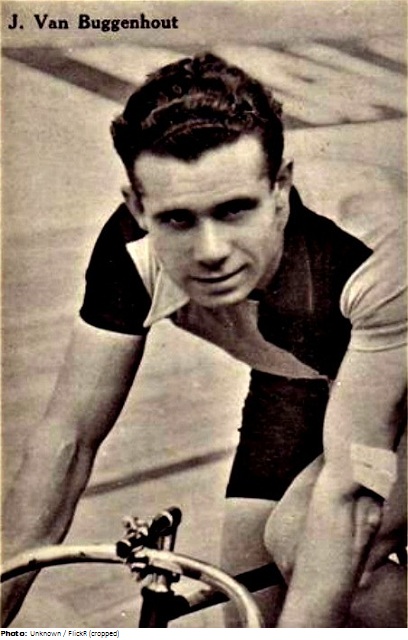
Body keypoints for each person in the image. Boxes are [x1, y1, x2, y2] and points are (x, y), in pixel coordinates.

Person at [1, 53, 406, 627]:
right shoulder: (129, 253)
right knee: (245, 609)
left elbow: (353, 495)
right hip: (299, 371)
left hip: (395, 380)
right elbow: (65, 443)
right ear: (138, 206)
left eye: (234, 210)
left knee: (311, 545)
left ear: (280, 187)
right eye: (178, 220)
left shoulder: (366, 246)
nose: (211, 251)